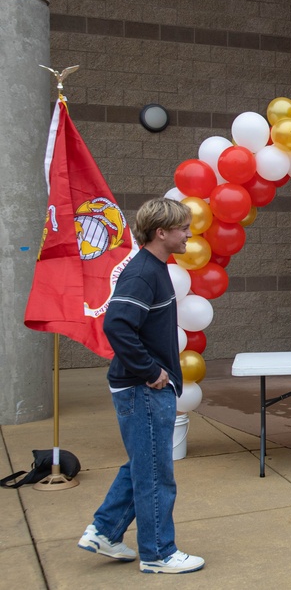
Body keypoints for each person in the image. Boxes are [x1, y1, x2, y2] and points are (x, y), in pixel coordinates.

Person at [77, 198, 205, 574]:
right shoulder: (143, 272)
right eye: (182, 228)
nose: (188, 233)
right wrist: (151, 372)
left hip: (143, 388)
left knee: (144, 465)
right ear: (161, 232)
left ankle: (105, 531)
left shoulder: (155, 267)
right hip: (142, 388)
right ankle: (158, 553)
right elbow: (116, 324)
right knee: (155, 474)